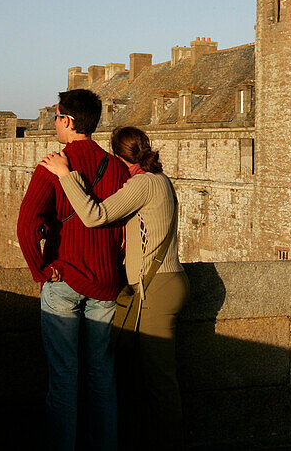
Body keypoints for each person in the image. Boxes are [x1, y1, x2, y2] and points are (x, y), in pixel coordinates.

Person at [41, 125, 189, 450]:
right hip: (162, 283)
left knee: (158, 379)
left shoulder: (143, 183)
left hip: (156, 288)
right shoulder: (160, 180)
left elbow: (95, 215)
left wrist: (66, 174)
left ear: (119, 156)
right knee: (140, 372)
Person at [16, 89, 129, 451]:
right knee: (102, 376)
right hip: (107, 282)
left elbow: (25, 223)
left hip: (65, 277)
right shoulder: (115, 167)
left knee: (64, 377)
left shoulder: (54, 163)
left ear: (67, 120)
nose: (54, 123)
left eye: (56, 117)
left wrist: (39, 269)